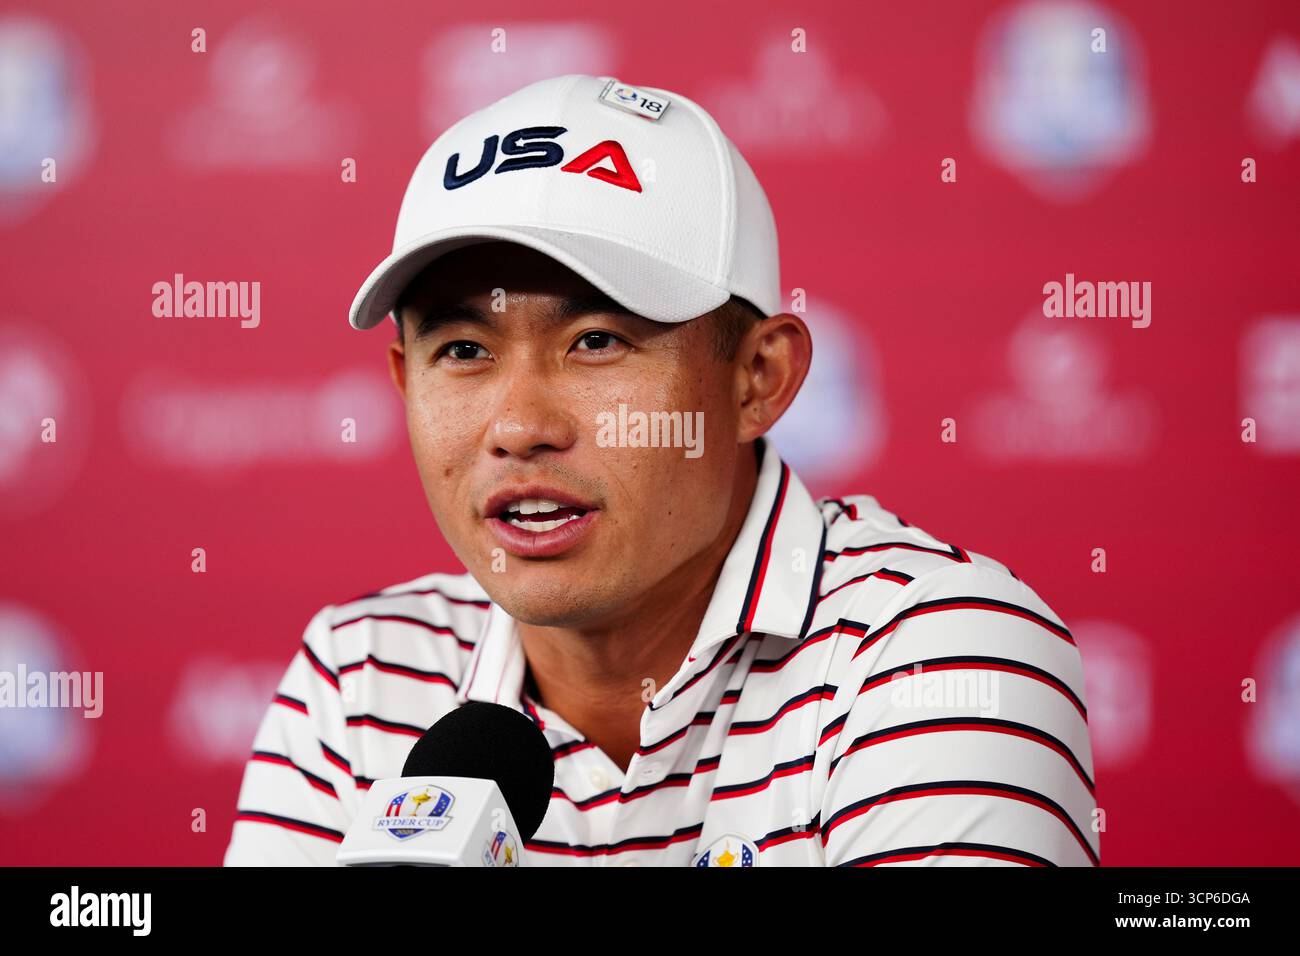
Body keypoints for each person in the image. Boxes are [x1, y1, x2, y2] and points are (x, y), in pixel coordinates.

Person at [224, 74, 1099, 866]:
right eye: (462, 349)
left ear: (757, 379)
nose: (520, 425)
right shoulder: (360, 673)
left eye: (597, 342)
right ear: (405, 381)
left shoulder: (938, 658)